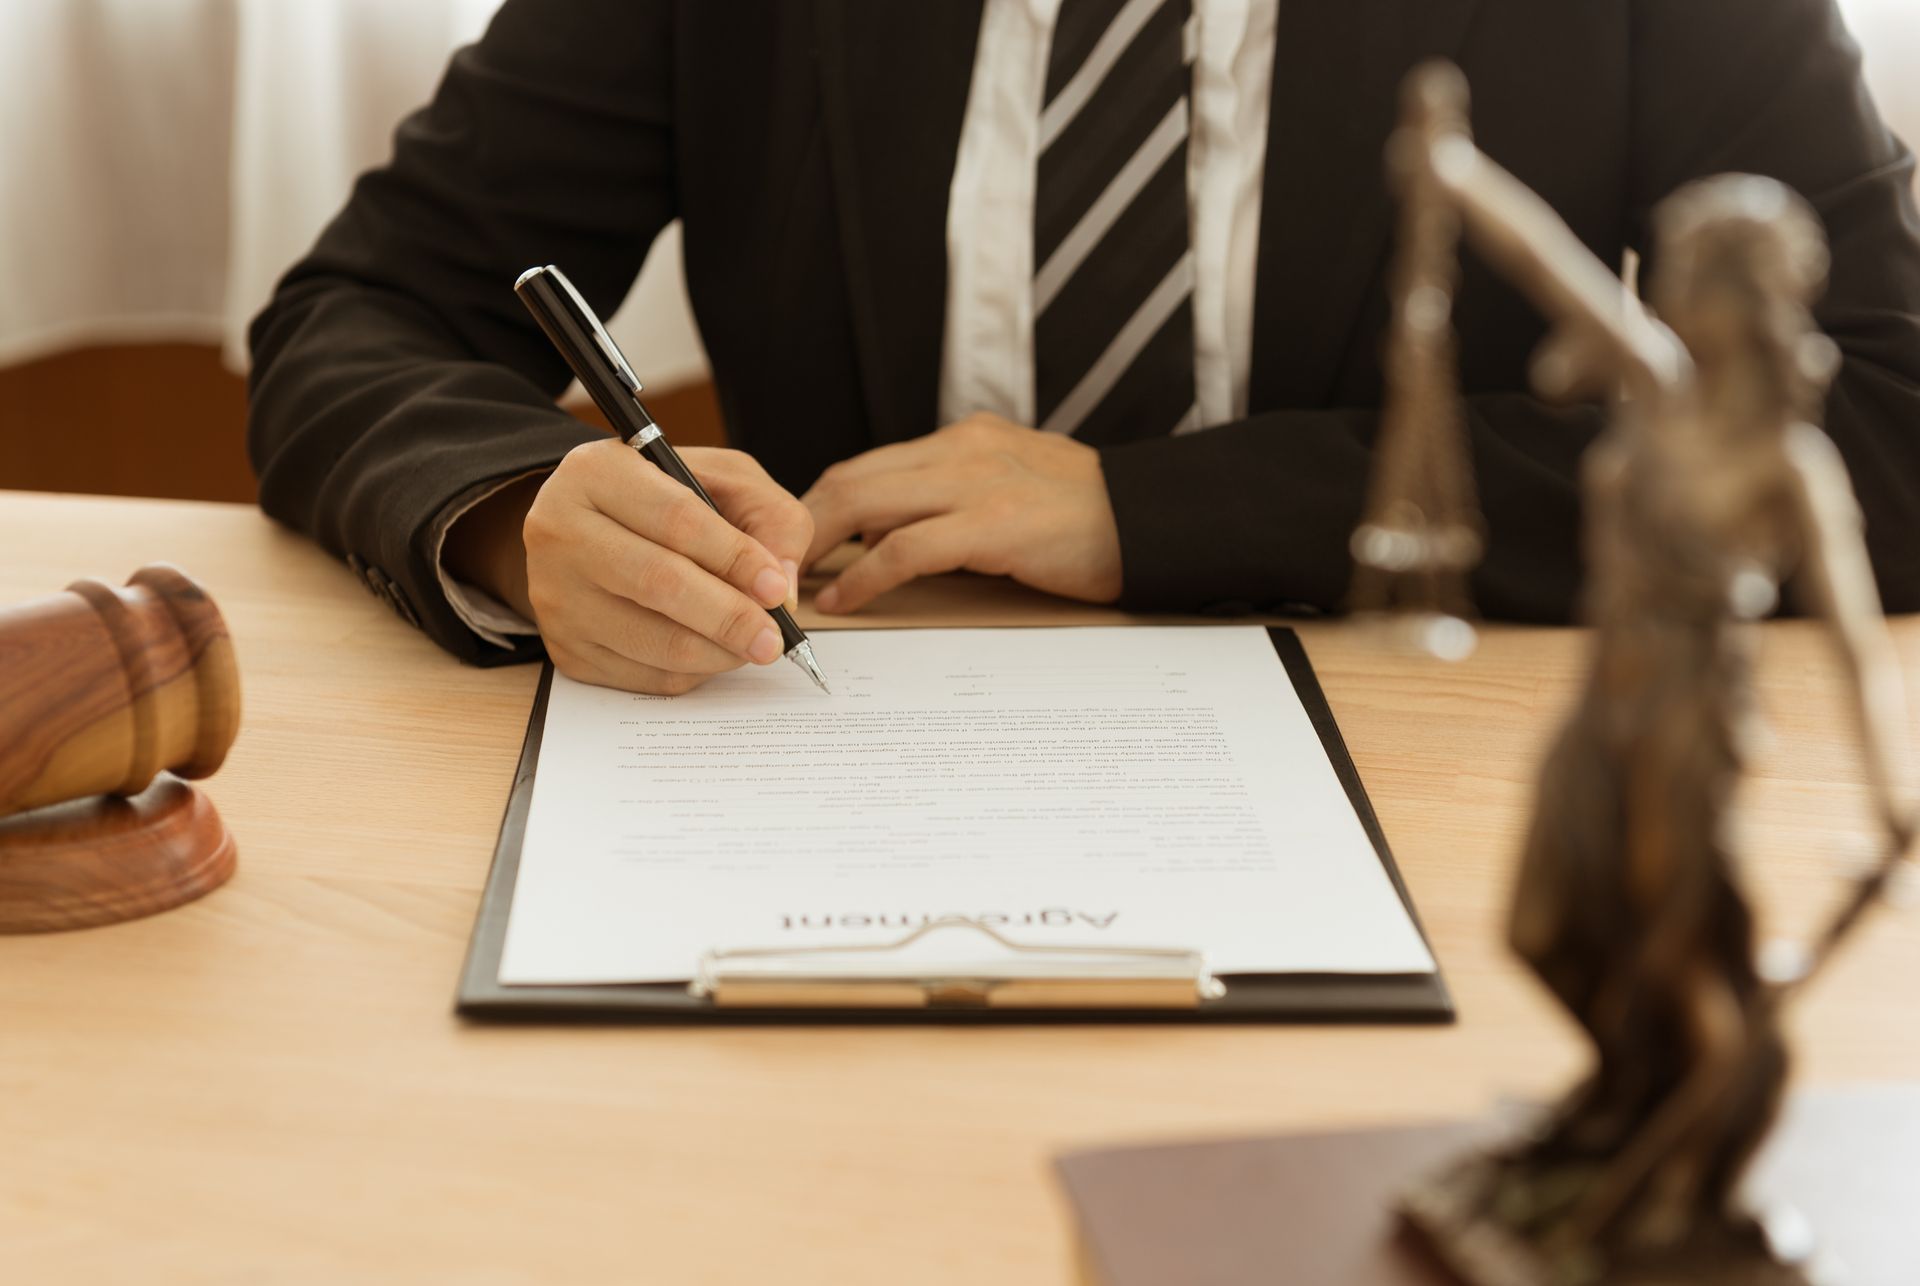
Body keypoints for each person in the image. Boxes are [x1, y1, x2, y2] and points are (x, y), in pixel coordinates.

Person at [247, 0, 1920, 696]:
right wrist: (512, 502)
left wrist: (1154, 509)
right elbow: (356, 314)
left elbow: (1893, 417)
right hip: (825, 776)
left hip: (1433, 779)